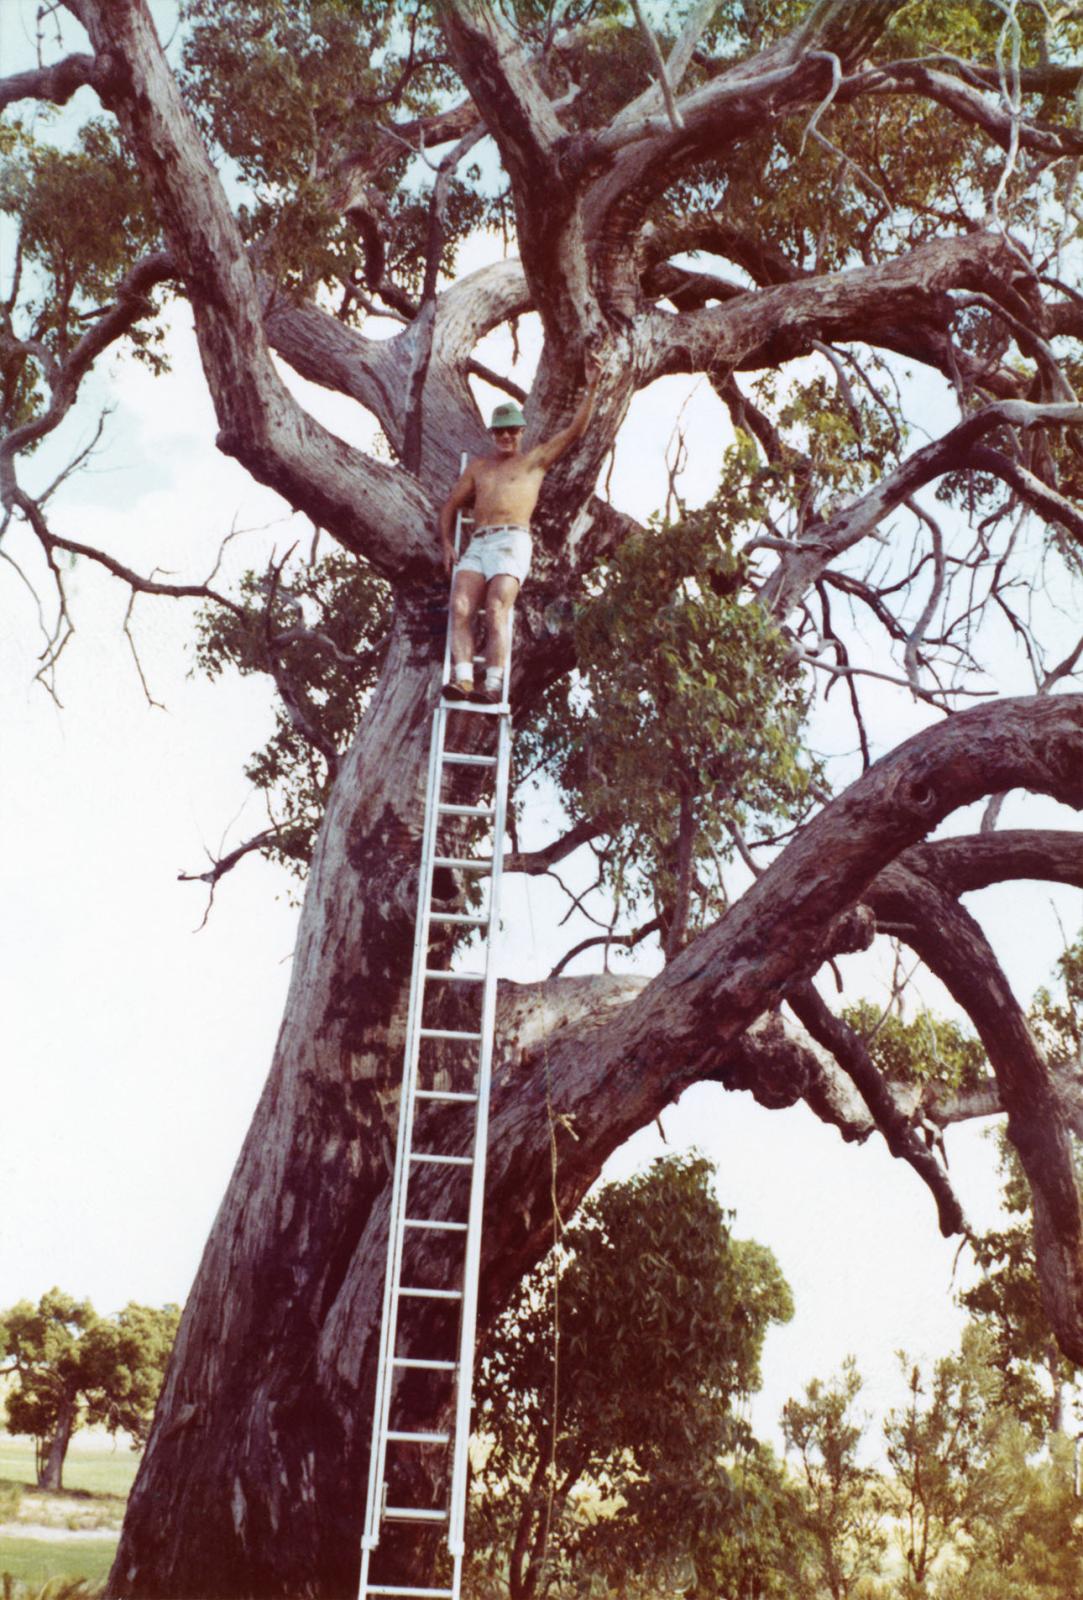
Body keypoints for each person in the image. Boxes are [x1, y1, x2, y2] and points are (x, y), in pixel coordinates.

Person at [438, 356, 601, 702]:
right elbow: (450, 506)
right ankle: (464, 679)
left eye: (513, 429)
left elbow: (575, 431)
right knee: (461, 605)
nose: (507, 436)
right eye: (501, 430)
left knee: (498, 606)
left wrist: (593, 386)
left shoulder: (534, 461)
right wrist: (446, 545)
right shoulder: (479, 468)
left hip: (512, 541)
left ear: (521, 432)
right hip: (479, 543)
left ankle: (493, 684)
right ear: (493, 433)